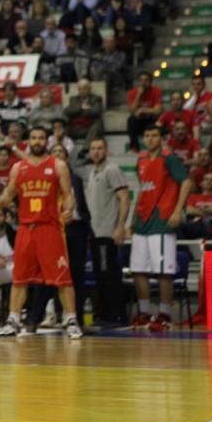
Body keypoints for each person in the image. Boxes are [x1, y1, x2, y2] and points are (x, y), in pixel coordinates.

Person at [0, 126, 83, 339]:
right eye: (34, 138)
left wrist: (69, 210)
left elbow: (68, 194)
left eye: (41, 138)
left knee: (62, 278)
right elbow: (9, 193)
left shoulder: (58, 165)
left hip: (50, 228)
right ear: (28, 141)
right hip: (26, 229)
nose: (38, 141)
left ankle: (71, 320)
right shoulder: (18, 168)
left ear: (46, 142)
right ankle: (13, 320)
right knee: (20, 278)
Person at [130, 125, 193, 332]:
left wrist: (177, 210)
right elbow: (142, 190)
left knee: (163, 271)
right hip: (142, 221)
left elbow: (186, 182)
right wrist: (132, 219)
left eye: (154, 135)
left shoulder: (169, 158)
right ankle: (145, 312)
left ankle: (165, 315)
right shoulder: (140, 159)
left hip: (162, 220)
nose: (150, 138)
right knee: (138, 269)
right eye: (147, 135)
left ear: (161, 138)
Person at [83, 138, 130, 327]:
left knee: (109, 274)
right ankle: (104, 313)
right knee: (100, 275)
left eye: (99, 148)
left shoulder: (111, 170)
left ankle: (116, 314)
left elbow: (124, 197)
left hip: (107, 232)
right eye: (93, 148)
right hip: (95, 232)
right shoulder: (92, 172)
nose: (96, 152)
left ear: (106, 151)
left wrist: (120, 226)